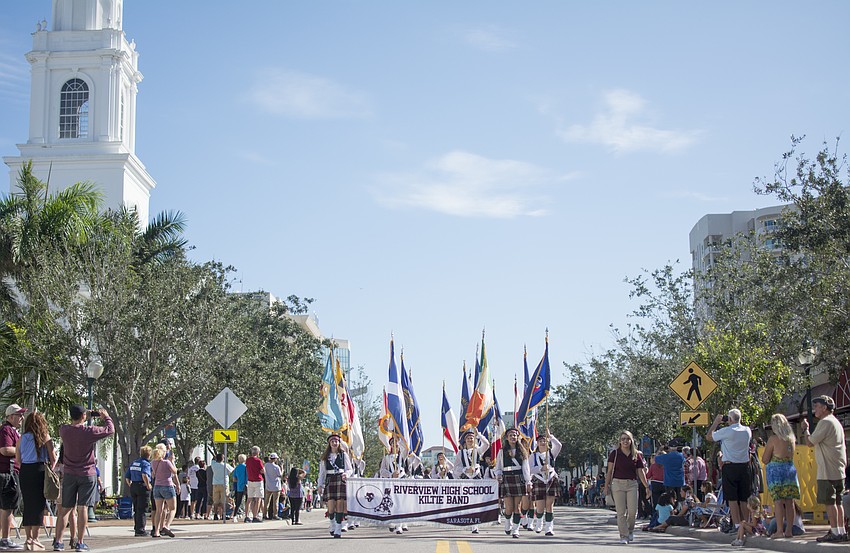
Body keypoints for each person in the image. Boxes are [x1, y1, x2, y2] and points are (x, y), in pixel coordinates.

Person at [54, 405, 114, 552]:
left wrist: (85, 416)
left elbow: (72, 425)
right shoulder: (90, 431)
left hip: (69, 473)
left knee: (65, 510)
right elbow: (110, 429)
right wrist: (104, 416)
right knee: (83, 508)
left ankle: (58, 541)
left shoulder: (64, 430)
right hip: (87, 473)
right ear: (83, 416)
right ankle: (80, 542)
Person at [802, 395, 848, 542]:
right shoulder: (835, 422)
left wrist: (805, 429)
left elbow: (810, 442)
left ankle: (835, 532)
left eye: (817, 406)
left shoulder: (825, 422)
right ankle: (840, 531)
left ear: (824, 407)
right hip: (838, 468)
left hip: (827, 470)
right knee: (838, 502)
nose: (815, 408)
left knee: (830, 502)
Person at [706, 408, 752, 532]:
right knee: (743, 497)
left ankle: (737, 524)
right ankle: (746, 523)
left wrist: (716, 422)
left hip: (730, 466)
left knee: (732, 498)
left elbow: (709, 437)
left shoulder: (726, 431)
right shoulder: (747, 430)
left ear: (730, 419)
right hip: (744, 466)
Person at [16, 410, 56, 551]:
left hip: (25, 471)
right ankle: (36, 539)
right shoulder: (45, 437)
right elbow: (54, 458)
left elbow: (18, 459)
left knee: (28, 504)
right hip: (39, 469)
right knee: (39, 505)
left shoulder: (22, 438)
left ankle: (28, 539)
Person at [603, 430, 651, 544]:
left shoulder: (636, 454)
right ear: (620, 441)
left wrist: (646, 486)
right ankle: (623, 536)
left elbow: (640, 472)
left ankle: (630, 531)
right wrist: (606, 486)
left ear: (631, 440)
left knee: (632, 512)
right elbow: (609, 472)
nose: (625, 441)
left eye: (627, 439)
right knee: (620, 512)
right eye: (623, 439)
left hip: (632, 484)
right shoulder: (614, 454)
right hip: (617, 484)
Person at [762, 413, 800, 539]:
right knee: (790, 501)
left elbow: (765, 459)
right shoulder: (791, 439)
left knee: (778, 502)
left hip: (776, 471)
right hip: (789, 469)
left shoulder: (773, 439)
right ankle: (789, 530)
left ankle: (779, 530)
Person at [451, 429, 490, 534]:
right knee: (467, 501)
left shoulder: (478, 450)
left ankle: (475, 525)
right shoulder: (460, 453)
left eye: (472, 438)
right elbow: (455, 468)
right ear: (465, 440)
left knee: (476, 501)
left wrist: (479, 434)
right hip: (466, 478)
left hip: (476, 477)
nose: (470, 440)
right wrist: (465, 470)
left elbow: (486, 444)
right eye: (468, 438)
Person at [496, 428, 532, 539]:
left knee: (517, 507)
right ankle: (508, 523)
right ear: (507, 438)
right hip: (507, 478)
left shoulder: (522, 451)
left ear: (518, 438)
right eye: (511, 435)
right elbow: (498, 466)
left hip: (519, 479)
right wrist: (498, 475)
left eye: (515, 435)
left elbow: (526, 468)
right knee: (509, 507)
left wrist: (528, 482)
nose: (513, 437)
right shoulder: (502, 451)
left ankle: (516, 529)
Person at [0, 404, 26, 551]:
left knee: (8, 506)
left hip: (11, 472)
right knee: (7, 507)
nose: (21, 418)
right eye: (19, 415)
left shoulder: (12, 431)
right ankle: (5, 539)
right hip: (7, 473)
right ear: (10, 417)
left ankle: (5, 538)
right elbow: (4, 449)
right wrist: (21, 449)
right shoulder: (6, 430)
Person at [317, 434, 352, 538]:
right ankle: (332, 523)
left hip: (340, 479)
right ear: (329, 443)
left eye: (336, 441)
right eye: (332, 441)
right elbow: (322, 473)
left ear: (339, 443)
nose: (334, 443)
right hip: (330, 479)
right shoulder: (325, 457)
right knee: (331, 506)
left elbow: (350, 468)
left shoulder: (343, 454)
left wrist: (347, 474)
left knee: (340, 503)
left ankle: (338, 528)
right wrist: (320, 485)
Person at [530, 431, 562, 536]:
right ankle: (539, 523)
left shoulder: (551, 453)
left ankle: (549, 528)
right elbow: (530, 469)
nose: (543, 442)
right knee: (540, 506)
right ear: (537, 443)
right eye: (540, 441)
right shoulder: (533, 456)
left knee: (549, 505)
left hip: (551, 479)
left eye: (544, 440)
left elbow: (558, 445)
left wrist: (551, 436)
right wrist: (540, 468)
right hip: (539, 479)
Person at [150, 444, 178, 538]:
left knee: (159, 510)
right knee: (173, 508)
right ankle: (166, 526)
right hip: (167, 486)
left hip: (157, 487)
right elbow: (175, 472)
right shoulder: (167, 462)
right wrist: (172, 461)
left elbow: (153, 474)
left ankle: (156, 531)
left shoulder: (153, 462)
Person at [123, 445, 152, 536]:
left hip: (134, 486)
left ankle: (136, 528)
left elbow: (127, 477)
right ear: (148, 454)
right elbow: (144, 475)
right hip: (142, 486)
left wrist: (130, 485)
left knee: (136, 509)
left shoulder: (134, 463)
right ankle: (141, 530)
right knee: (142, 509)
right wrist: (148, 485)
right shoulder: (146, 463)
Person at [209, 453, 232, 522]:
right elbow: (232, 470)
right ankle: (223, 514)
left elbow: (212, 459)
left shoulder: (213, 465)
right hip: (224, 484)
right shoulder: (225, 465)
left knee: (216, 501)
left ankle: (215, 514)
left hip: (215, 483)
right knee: (224, 500)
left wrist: (215, 457)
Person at [245, 447, 265, 523]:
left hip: (250, 480)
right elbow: (262, 471)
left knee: (249, 498)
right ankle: (255, 516)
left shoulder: (248, 460)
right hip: (258, 480)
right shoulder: (258, 461)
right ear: (258, 453)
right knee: (258, 498)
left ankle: (246, 516)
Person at [264, 453, 282, 520]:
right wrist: (282, 467)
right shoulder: (276, 467)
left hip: (268, 485)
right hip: (276, 486)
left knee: (266, 501)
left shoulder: (265, 465)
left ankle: (265, 514)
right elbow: (280, 475)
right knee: (275, 501)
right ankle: (275, 514)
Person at [230, 454, 247, 520]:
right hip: (246, 485)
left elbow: (234, 478)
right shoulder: (246, 467)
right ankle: (246, 515)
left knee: (238, 502)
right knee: (247, 501)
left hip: (239, 486)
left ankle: (235, 515)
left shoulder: (237, 468)